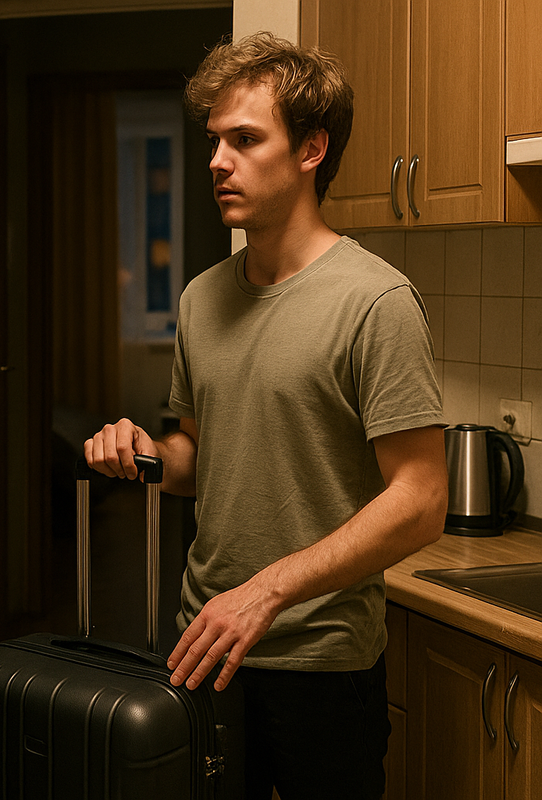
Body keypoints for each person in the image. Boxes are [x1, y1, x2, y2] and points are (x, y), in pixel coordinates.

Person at [85, 32, 448, 800]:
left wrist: (270, 589)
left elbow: (421, 501)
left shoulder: (376, 302)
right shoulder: (200, 297)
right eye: (214, 141)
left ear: (312, 149)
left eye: (245, 140)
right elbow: (196, 458)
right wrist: (147, 452)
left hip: (322, 663)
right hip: (205, 648)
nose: (217, 162)